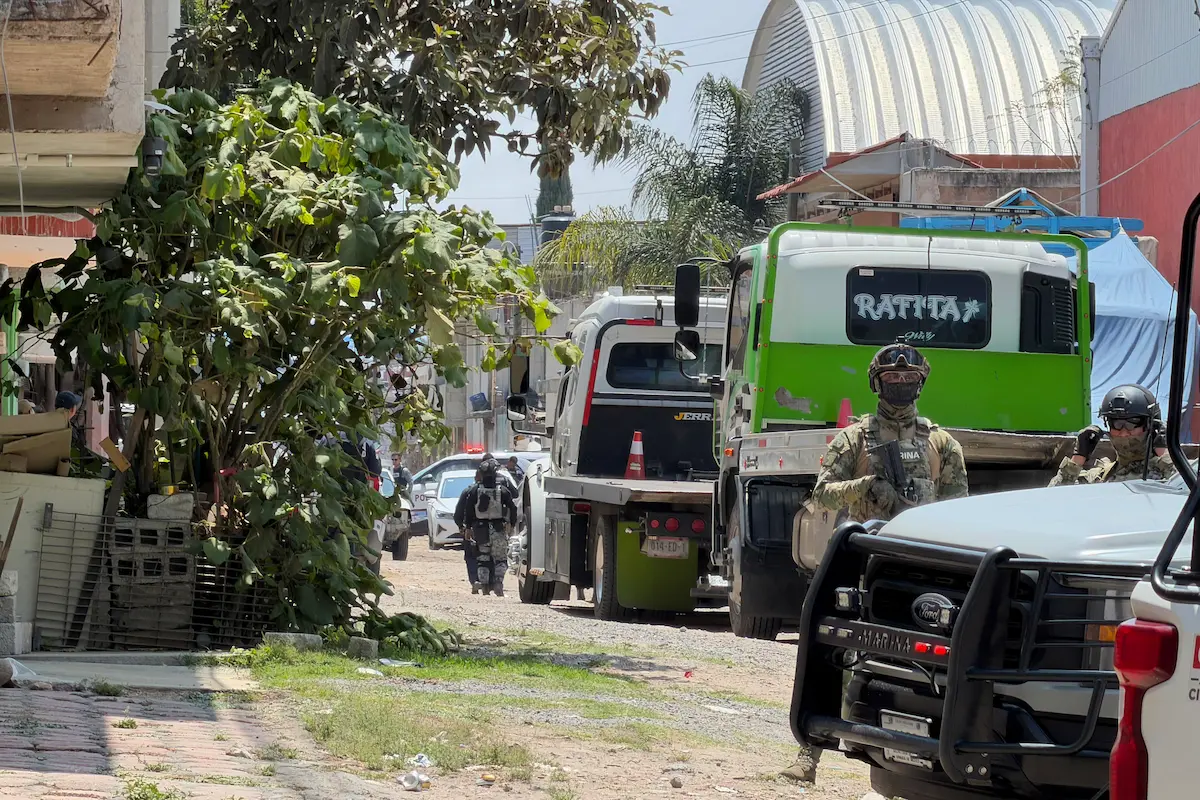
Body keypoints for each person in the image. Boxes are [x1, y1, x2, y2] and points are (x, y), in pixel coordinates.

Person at [811, 344, 969, 523]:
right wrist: (865, 486)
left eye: (910, 377)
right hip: (868, 545)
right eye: (892, 377)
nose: (901, 381)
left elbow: (956, 512)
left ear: (919, 383)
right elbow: (821, 497)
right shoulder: (854, 439)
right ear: (878, 382)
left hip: (919, 545)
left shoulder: (943, 444)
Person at [1050, 384, 1176, 485]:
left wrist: (1165, 454)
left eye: (1132, 423)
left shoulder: (1176, 473)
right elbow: (1053, 500)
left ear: (1150, 426)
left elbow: (1190, 493)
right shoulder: (1100, 476)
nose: (1124, 432)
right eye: (1116, 424)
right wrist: (1078, 458)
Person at [453, 457, 517, 596]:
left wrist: (468, 527)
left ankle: (484, 586)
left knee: (483, 558)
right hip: (498, 528)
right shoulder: (503, 491)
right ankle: (498, 583)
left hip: (480, 530)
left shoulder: (475, 491)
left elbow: (469, 510)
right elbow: (513, 508)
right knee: (500, 559)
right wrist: (512, 525)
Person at [454, 468, 483, 593]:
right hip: (493, 530)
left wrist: (461, 527)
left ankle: (475, 581)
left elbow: (458, 513)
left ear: (476, 478)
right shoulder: (499, 490)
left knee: (471, 556)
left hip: (472, 529)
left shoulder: (469, 491)